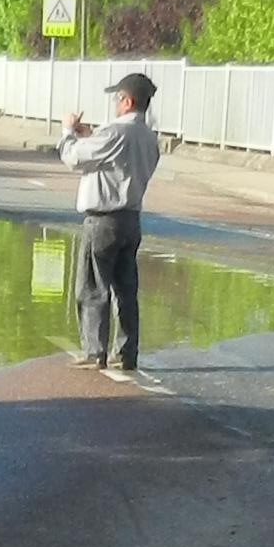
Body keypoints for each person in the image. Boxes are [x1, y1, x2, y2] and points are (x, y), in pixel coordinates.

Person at [59, 72, 161, 375]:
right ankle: (126, 352)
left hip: (103, 219)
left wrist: (68, 131)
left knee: (93, 286)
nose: (116, 103)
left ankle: (95, 351)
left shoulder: (114, 132)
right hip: (132, 219)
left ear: (128, 101)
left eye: (118, 98)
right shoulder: (149, 138)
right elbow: (115, 155)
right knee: (126, 289)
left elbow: (73, 157)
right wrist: (92, 134)